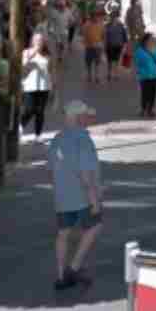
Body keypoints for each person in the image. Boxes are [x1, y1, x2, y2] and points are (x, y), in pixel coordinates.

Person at [49, 99, 104, 290]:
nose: (89, 119)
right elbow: (85, 174)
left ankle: (61, 274)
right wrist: (94, 200)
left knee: (63, 233)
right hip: (81, 197)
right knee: (95, 226)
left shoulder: (56, 139)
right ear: (78, 118)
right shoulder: (83, 140)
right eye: (87, 116)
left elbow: (54, 168)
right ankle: (74, 267)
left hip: (62, 196)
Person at [20, 33, 54, 144]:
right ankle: (19, 129)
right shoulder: (26, 52)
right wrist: (33, 53)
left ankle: (38, 135)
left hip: (44, 86)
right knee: (29, 109)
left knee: (40, 111)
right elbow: (23, 66)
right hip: (30, 85)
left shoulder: (47, 54)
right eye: (37, 40)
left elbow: (51, 70)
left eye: (41, 40)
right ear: (32, 41)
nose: (39, 42)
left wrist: (53, 85)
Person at [134, 33, 156, 118]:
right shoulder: (140, 50)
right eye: (150, 39)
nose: (152, 40)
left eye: (153, 39)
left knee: (153, 93)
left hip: (155, 75)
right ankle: (143, 109)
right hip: (144, 75)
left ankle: (151, 109)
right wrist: (137, 71)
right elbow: (137, 62)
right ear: (145, 41)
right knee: (144, 93)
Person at [102, 12, 128, 83]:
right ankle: (109, 73)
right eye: (112, 17)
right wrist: (104, 45)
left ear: (117, 18)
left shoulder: (121, 26)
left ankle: (116, 74)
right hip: (109, 45)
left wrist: (125, 45)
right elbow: (104, 36)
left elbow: (124, 36)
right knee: (109, 60)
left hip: (118, 45)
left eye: (115, 17)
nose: (113, 19)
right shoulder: (107, 26)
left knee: (117, 60)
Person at [80, 12, 105, 84]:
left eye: (96, 16)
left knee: (97, 62)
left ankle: (97, 76)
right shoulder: (87, 25)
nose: (95, 18)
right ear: (91, 17)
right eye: (94, 17)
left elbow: (103, 35)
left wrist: (102, 44)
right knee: (89, 62)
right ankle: (89, 75)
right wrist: (85, 42)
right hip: (89, 46)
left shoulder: (101, 25)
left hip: (98, 46)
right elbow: (83, 33)